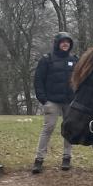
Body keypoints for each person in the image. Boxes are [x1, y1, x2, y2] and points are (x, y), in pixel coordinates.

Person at [32, 32, 78, 173]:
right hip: (51, 101)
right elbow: (38, 80)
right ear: (57, 43)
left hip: (69, 102)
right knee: (48, 128)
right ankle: (39, 160)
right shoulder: (47, 59)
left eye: (68, 42)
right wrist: (43, 99)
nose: (65, 44)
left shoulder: (75, 59)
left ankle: (66, 158)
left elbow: (81, 78)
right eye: (63, 42)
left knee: (69, 130)